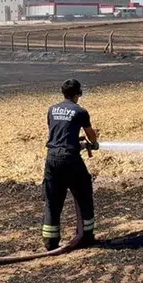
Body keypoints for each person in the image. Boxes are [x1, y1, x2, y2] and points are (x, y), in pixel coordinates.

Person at [41, 78, 99, 251]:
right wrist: (93, 144)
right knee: (84, 194)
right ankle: (86, 236)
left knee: (53, 200)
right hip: (70, 159)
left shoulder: (52, 109)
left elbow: (58, 133)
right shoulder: (80, 111)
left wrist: (76, 142)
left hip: (52, 158)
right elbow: (91, 135)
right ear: (79, 93)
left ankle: (50, 241)